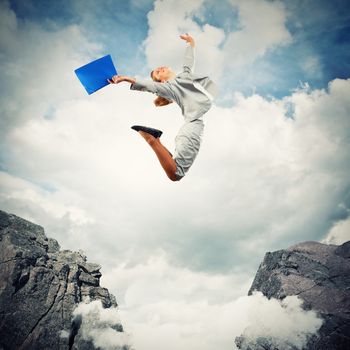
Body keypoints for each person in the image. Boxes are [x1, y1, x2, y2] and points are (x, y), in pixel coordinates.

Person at [108, 34, 217, 181]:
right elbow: (149, 86)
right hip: (193, 124)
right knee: (175, 174)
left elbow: (188, 61)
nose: (159, 69)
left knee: (174, 168)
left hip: (192, 125)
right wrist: (126, 79)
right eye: (157, 73)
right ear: (162, 81)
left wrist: (191, 44)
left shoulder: (185, 75)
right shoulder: (169, 88)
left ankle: (154, 140)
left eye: (159, 68)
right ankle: (152, 140)